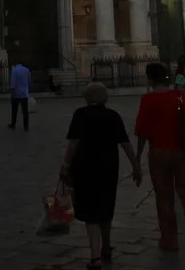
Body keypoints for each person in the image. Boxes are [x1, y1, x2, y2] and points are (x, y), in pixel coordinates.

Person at [134, 62, 185, 254]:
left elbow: (142, 132)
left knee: (164, 197)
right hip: (182, 152)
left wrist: (137, 159)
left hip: (159, 152)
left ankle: (169, 240)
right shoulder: (178, 96)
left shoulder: (148, 100)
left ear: (150, 78)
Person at [60, 82, 141, 268]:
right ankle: (106, 246)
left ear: (88, 98)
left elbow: (73, 143)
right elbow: (126, 144)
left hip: (85, 168)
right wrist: (136, 167)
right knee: (106, 206)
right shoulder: (113, 116)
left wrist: (65, 165)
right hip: (109, 168)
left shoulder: (80, 114)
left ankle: (95, 257)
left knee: (90, 212)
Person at [8, 60, 32, 131]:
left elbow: (13, 83)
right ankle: (26, 126)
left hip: (16, 94)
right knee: (25, 111)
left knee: (14, 110)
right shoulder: (27, 70)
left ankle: (13, 123)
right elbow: (29, 81)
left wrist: (12, 93)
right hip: (24, 94)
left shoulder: (14, 70)